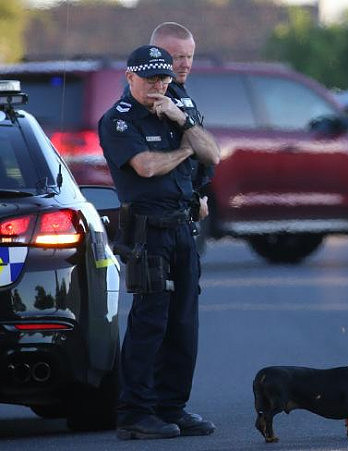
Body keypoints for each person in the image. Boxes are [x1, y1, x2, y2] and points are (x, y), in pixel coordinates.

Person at [98, 44, 220, 440]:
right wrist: (186, 147)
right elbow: (145, 166)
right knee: (150, 322)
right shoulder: (118, 120)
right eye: (150, 77)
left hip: (183, 228)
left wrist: (181, 121)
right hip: (148, 233)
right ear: (129, 76)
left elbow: (213, 154)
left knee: (184, 323)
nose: (158, 85)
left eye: (164, 77)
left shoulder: (175, 110)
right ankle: (135, 411)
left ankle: (172, 406)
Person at [150, 22, 213, 218]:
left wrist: (198, 197)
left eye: (189, 56)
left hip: (186, 208)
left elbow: (203, 155)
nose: (186, 64)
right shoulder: (151, 95)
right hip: (162, 213)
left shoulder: (180, 94)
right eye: (178, 57)